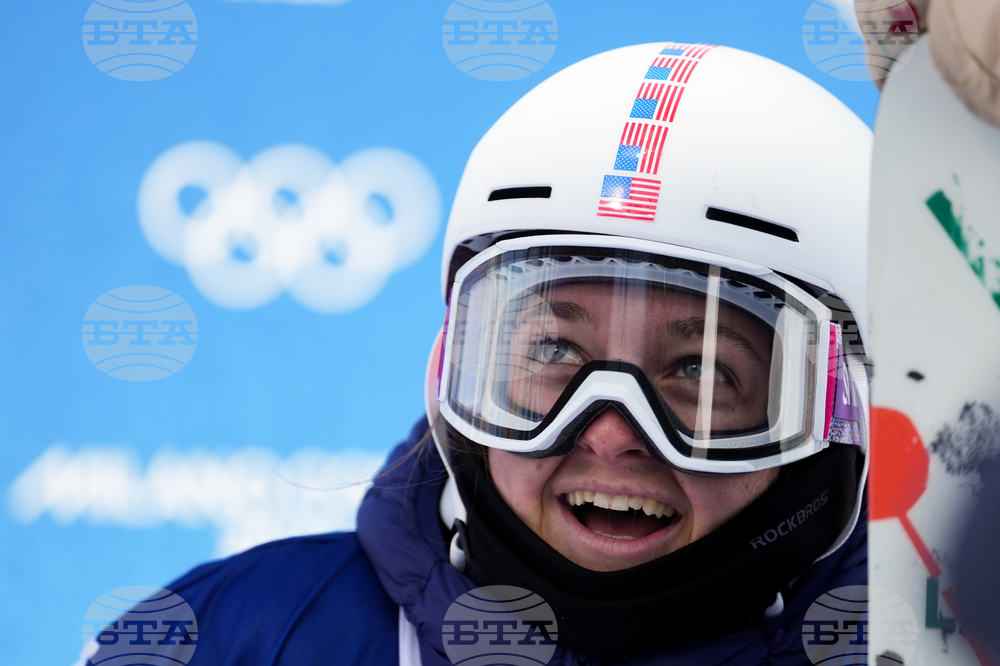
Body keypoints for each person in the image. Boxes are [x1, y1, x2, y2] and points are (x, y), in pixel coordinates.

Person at [83, 42, 871, 665]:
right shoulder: (233, 640)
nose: (610, 431)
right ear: (453, 369)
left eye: (701, 370)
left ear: (842, 415)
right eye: (554, 349)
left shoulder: (951, 649)